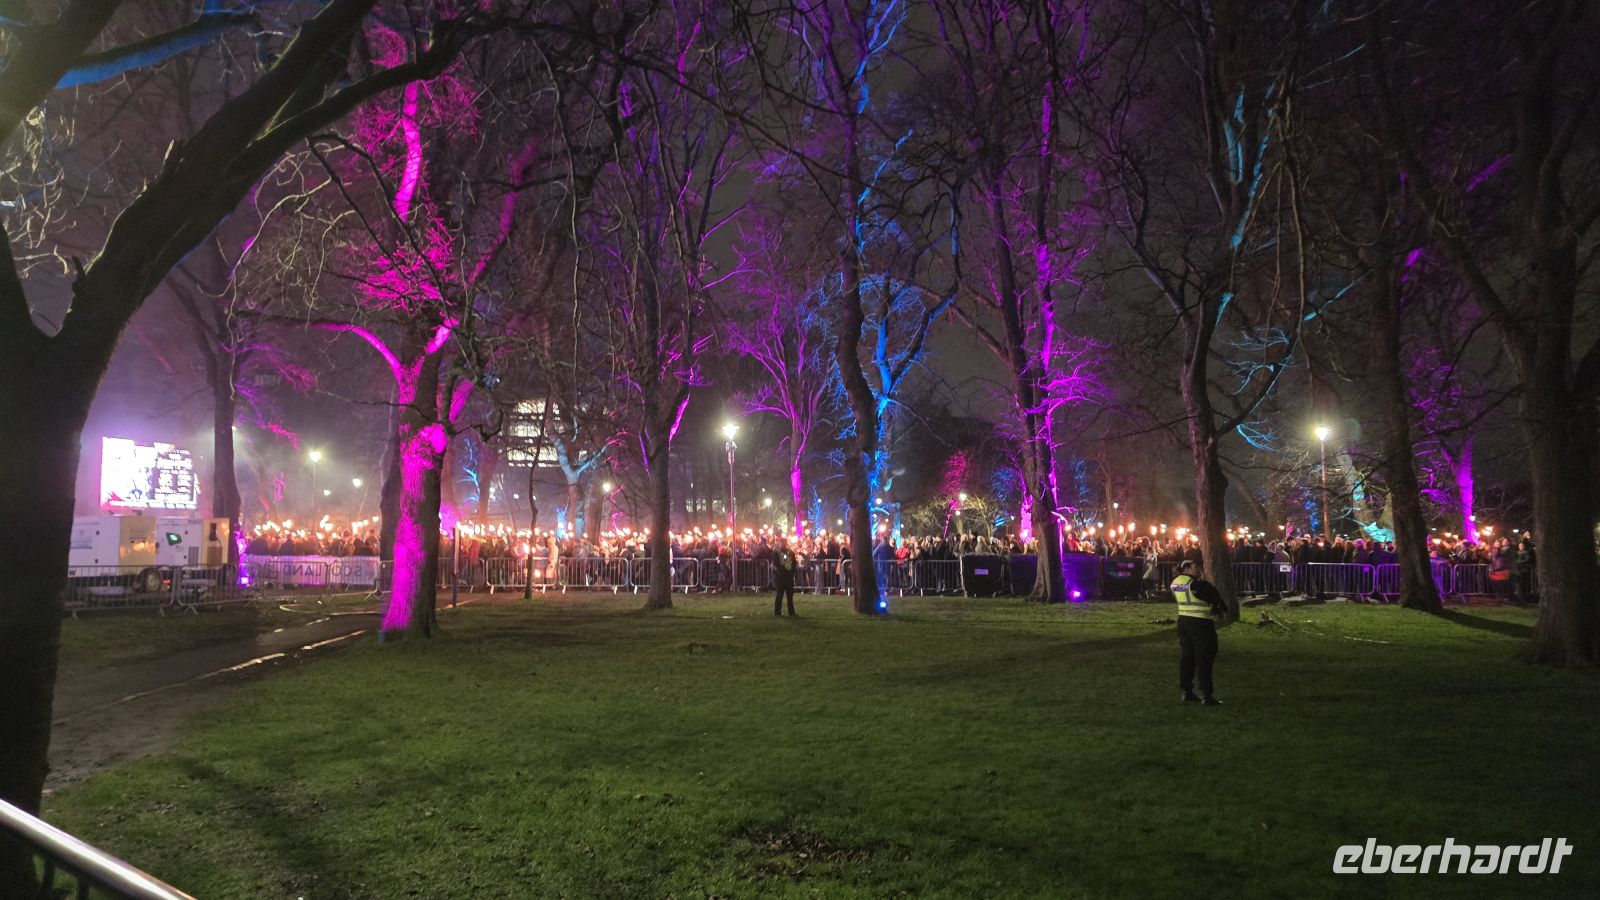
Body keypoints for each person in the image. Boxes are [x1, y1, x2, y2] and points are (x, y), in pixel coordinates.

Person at [1171, 560, 1228, 705]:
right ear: (1188, 568)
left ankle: (1187, 691)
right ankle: (1206, 694)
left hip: (1183, 621)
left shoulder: (1175, 582)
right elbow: (1214, 596)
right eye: (1196, 567)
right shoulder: (1195, 584)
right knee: (1204, 657)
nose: (1199, 569)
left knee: (1187, 657)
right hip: (1201, 623)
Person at [772, 537, 798, 617]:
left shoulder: (777, 553)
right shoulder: (789, 552)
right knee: (786, 595)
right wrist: (792, 573)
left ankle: (778, 612)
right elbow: (794, 564)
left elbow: (775, 564)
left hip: (782, 576)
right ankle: (790, 612)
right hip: (786, 576)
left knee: (783, 595)